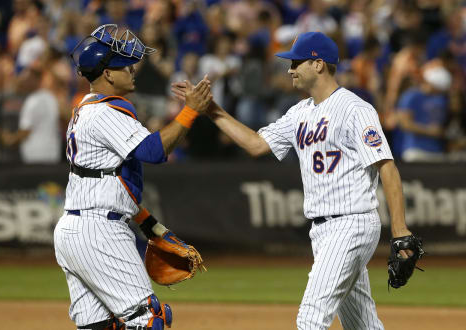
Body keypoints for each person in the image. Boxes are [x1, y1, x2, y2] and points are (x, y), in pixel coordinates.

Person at [172, 32, 417, 330]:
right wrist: (211, 110)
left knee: (310, 319)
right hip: (323, 230)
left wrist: (399, 228)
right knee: (362, 324)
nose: (290, 69)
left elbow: (386, 167)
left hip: (351, 223)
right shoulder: (299, 113)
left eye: (296, 62)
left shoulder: (355, 109)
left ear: (318, 64)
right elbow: (256, 144)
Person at [54, 24, 211, 330]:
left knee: (101, 326)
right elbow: (153, 151)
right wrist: (189, 111)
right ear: (108, 74)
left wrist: (150, 225)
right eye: (124, 66)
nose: (132, 70)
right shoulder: (104, 113)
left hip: (74, 231)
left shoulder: (84, 110)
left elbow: (109, 180)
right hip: (99, 231)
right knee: (148, 319)